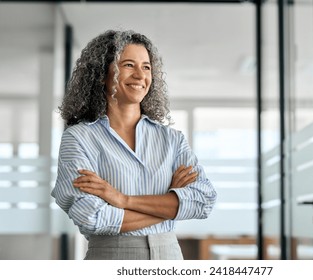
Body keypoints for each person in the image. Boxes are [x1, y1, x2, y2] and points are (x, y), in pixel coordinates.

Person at [51, 29, 217, 260]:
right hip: (111, 255)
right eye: (128, 65)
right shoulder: (79, 138)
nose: (140, 75)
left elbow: (202, 201)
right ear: (102, 74)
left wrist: (122, 200)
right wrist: (170, 205)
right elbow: (92, 217)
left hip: (169, 256)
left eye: (146, 67)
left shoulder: (172, 140)